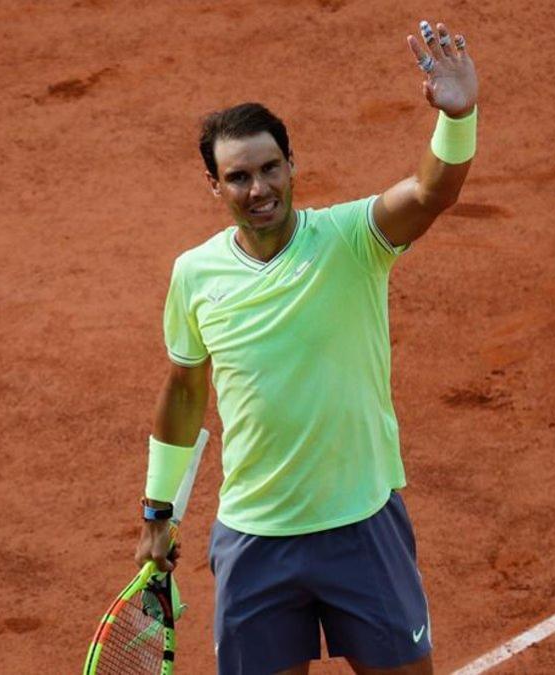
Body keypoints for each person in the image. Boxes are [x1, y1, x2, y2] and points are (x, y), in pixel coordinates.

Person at [134, 19, 478, 675]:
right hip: (255, 536)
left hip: (361, 524)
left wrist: (457, 119)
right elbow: (184, 390)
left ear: (293, 166)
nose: (258, 189)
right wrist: (158, 510)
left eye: (270, 168)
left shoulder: (354, 239)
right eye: (238, 177)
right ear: (214, 185)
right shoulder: (194, 274)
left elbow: (434, 191)